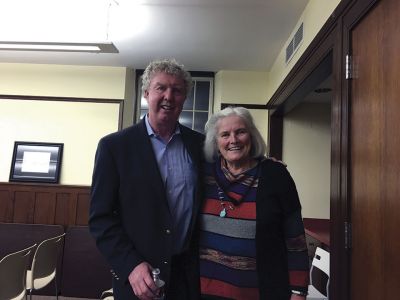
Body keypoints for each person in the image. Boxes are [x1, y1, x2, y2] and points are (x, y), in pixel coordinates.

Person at [89, 58, 204, 300]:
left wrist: (264, 166)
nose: (169, 96)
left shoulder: (201, 146)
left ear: (184, 98)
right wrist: (130, 265)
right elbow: (100, 218)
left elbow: (233, 166)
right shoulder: (115, 147)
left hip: (188, 277)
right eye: (161, 88)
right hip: (139, 278)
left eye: (177, 90)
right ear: (146, 93)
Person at [199, 106, 309, 300]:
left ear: (252, 136)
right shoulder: (203, 174)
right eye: (225, 134)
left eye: (240, 132)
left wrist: (298, 291)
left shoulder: (276, 175)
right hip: (206, 291)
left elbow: (296, 240)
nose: (233, 140)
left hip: (264, 291)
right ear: (216, 143)